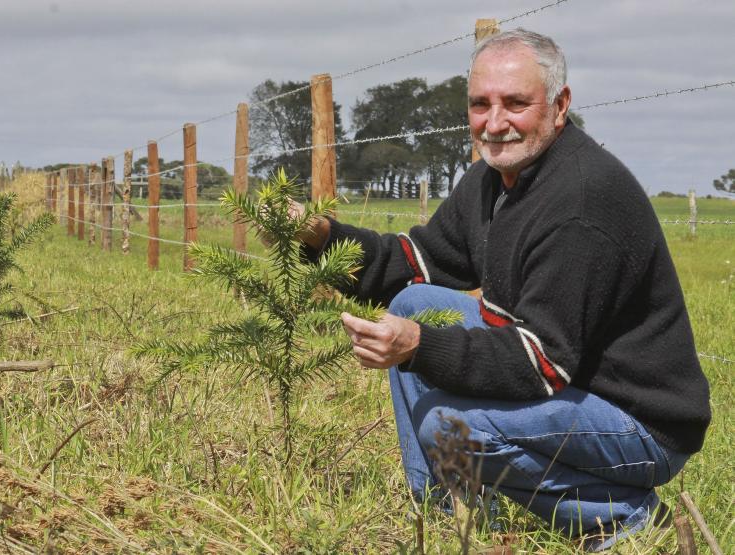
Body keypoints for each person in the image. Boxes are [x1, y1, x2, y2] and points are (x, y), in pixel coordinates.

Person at [297, 29, 711, 551]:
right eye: (480, 104)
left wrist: (419, 346)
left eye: (516, 103)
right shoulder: (494, 181)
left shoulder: (580, 202)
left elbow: (541, 362)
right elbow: (412, 264)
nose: (494, 123)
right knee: (412, 301)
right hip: (572, 386)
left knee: (449, 428)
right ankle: (443, 519)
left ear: (560, 106)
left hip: (636, 421)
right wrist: (323, 236)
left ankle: (623, 516)